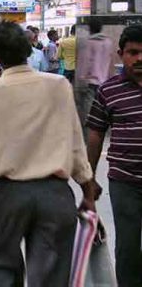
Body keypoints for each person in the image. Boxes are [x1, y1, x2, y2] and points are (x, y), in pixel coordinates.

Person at [0, 21, 96, 286]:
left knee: (3, 268)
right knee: (50, 275)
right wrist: (88, 192)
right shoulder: (59, 84)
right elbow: (75, 142)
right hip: (55, 195)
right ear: (28, 49)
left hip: (9, 197)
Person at [86, 24, 142, 287]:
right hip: (125, 181)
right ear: (121, 54)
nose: (139, 58)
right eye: (133, 52)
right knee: (128, 246)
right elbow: (95, 133)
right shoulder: (108, 90)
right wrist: (89, 178)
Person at [75, 19, 113, 134]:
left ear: (90, 29)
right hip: (104, 81)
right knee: (103, 107)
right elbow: (110, 61)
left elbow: (86, 62)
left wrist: (81, 78)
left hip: (91, 81)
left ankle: (90, 134)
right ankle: (104, 130)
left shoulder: (89, 42)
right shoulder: (108, 42)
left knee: (89, 109)